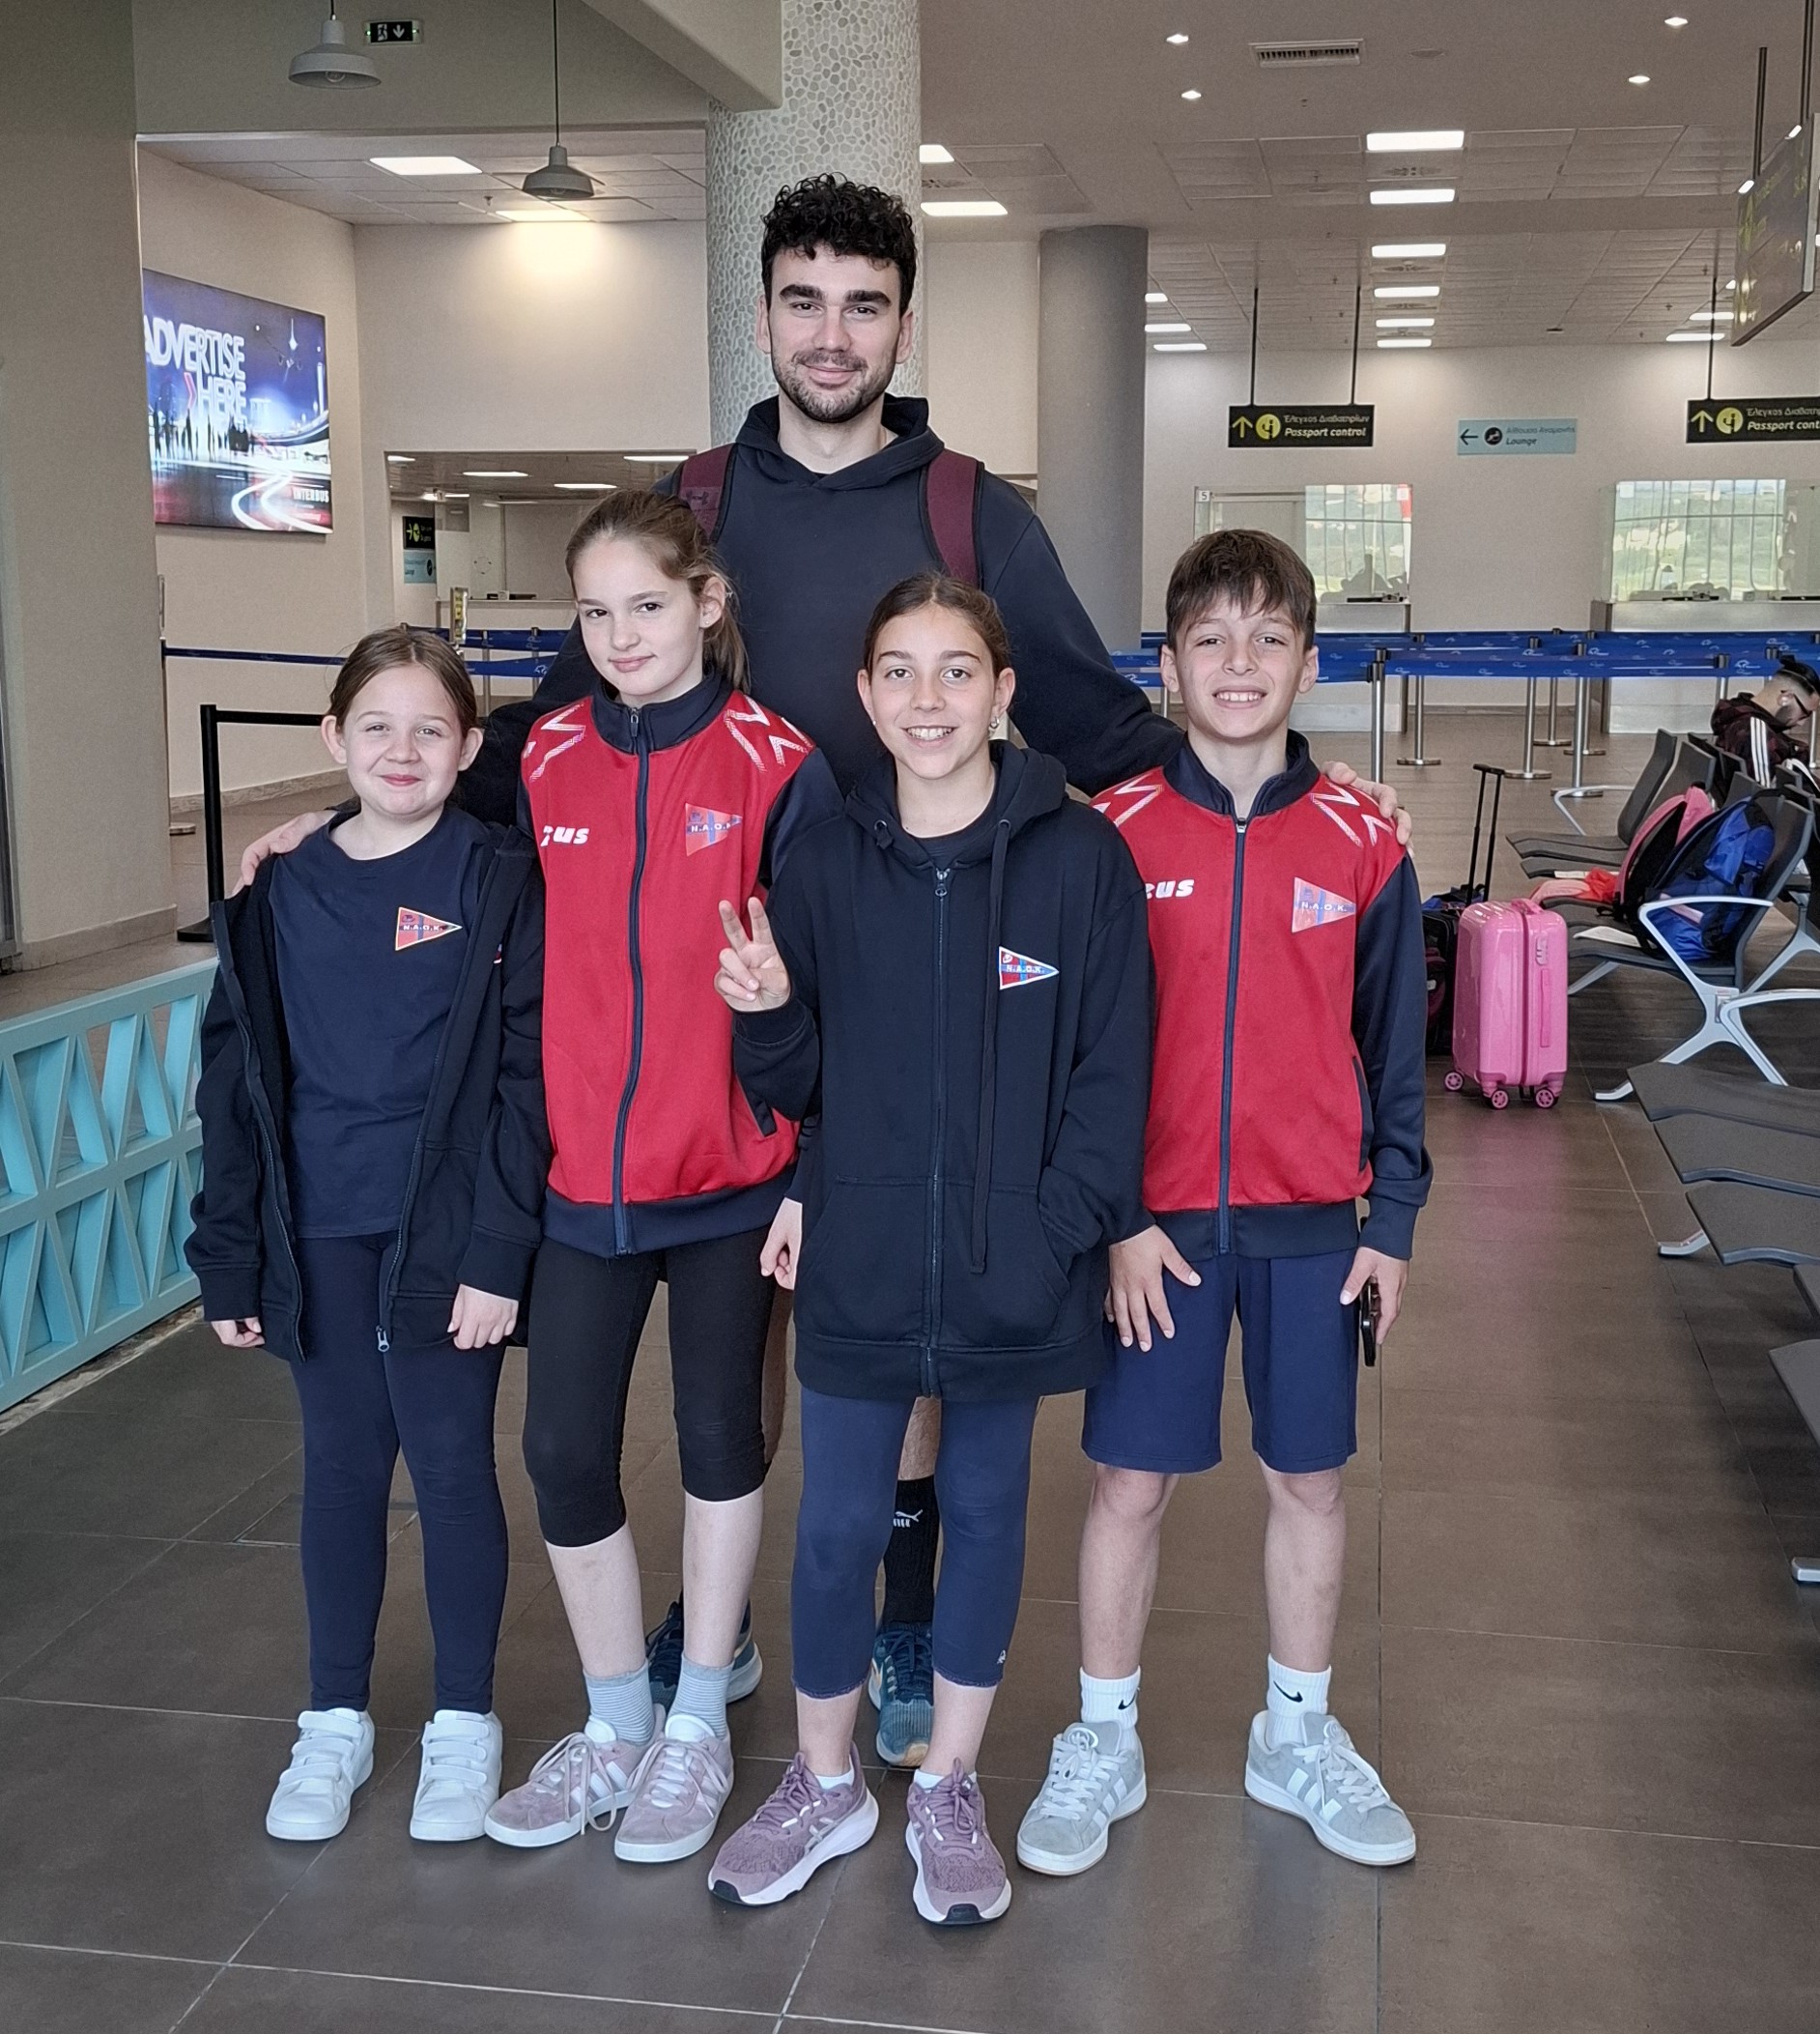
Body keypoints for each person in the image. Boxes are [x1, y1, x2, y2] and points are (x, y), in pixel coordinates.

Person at [239, 173, 1408, 1769]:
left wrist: (1287, 793)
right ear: (765, 316)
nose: (832, 333)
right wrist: (354, 816)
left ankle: (902, 1611)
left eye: (864, 304)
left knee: (897, 1317)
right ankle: (718, 1629)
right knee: (756, 1360)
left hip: (913, 988)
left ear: (903, 323)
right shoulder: (701, 501)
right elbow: (553, 727)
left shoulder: (968, 511)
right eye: (803, 301)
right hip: (727, 1003)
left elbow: (1094, 712)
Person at [704, 574, 1151, 1926]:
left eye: (958, 670)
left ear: (1005, 691)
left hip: (1013, 1269)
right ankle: (826, 1781)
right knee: (837, 1526)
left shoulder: (1081, 860)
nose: (927, 698)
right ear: (864, 694)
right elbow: (800, 1082)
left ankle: (950, 1781)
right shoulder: (826, 863)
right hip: (863, 1256)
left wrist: (1049, 1237)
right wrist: (766, 1011)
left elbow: (1111, 1077)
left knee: (989, 1514)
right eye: (898, 670)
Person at [1014, 530, 1432, 1881]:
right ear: (1168, 665)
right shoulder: (1113, 833)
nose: (1239, 663)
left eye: (1268, 638)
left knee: (1308, 1478)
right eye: (1211, 638)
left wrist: (1392, 1219)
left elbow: (1396, 1049)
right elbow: (1074, 1051)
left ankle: (1294, 1732)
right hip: (1158, 1233)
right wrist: (1118, 1215)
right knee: (1127, 1481)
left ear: (1310, 663)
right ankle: (1104, 1735)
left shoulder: (1364, 842)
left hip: (1313, 1227)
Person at [483, 489, 836, 1866]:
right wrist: (304, 835)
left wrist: (804, 1159)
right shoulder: (545, 755)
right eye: (595, 611)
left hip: (731, 1174)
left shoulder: (777, 766)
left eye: (647, 603)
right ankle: (617, 1716)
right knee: (561, 1450)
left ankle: (698, 1718)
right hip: (583, 1178)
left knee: (719, 1440)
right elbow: (420, 821)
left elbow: (828, 986)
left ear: (706, 601)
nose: (621, 634)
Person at [185, 626, 547, 1846]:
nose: (403, 750)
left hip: (445, 1233)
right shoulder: (277, 891)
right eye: (377, 726)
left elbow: (526, 1082)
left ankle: (463, 1719)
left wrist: (498, 1251)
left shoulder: (499, 877)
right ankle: (333, 1715)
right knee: (341, 1465)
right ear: (332, 736)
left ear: (469, 747)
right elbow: (234, 1079)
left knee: (449, 1464)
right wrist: (228, 1250)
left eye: (431, 728)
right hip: (319, 1225)